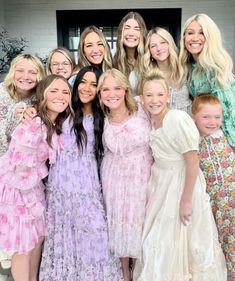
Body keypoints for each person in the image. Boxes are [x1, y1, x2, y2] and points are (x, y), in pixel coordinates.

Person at [133, 71, 227, 281]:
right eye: (149, 95)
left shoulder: (176, 118)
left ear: (168, 96)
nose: (154, 100)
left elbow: (192, 161)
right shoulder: (153, 120)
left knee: (180, 240)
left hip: (181, 184)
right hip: (162, 184)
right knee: (158, 241)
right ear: (142, 97)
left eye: (159, 94)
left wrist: (185, 200)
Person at [37, 65, 122, 281]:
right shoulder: (64, 110)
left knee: (95, 235)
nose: (87, 88)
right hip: (61, 188)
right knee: (65, 239)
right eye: (83, 81)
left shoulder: (103, 116)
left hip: (88, 188)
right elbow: (41, 110)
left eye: (94, 84)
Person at [0, 74, 73, 281]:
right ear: (43, 95)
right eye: (54, 91)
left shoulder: (53, 122)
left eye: (65, 92)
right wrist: (30, 203)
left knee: (36, 241)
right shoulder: (34, 125)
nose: (60, 96)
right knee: (23, 245)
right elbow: (18, 169)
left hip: (32, 187)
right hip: (16, 191)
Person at [97, 68, 152, 281]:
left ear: (126, 89)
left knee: (141, 219)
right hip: (114, 177)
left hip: (142, 173)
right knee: (118, 220)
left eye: (117, 88)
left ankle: (140, 269)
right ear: (100, 93)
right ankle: (124, 272)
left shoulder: (141, 107)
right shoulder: (100, 117)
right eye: (106, 89)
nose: (112, 93)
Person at [192, 94, 235, 281]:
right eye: (206, 117)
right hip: (212, 202)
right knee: (221, 239)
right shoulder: (194, 141)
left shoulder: (225, 136)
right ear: (194, 117)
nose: (212, 122)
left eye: (217, 117)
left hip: (231, 199)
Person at [179, 13, 235, 147]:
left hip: (223, 139)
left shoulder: (213, 67)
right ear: (184, 37)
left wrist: (232, 144)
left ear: (210, 37)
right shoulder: (191, 65)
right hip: (206, 135)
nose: (195, 38)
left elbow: (227, 110)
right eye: (190, 33)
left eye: (202, 33)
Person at [0, 53, 45, 156]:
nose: (25, 77)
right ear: (12, 73)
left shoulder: (40, 98)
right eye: (20, 71)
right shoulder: (1, 93)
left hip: (25, 160)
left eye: (32, 72)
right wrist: (13, 117)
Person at [143, 27, 191, 113]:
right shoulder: (148, 75)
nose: (159, 48)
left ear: (170, 44)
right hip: (161, 124)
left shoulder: (185, 67)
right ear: (149, 51)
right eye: (153, 46)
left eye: (162, 42)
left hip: (187, 123)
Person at [113, 11, 147, 96]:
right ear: (121, 32)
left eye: (137, 29)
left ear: (142, 34)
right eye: (127, 28)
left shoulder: (150, 59)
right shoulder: (112, 60)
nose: (131, 33)